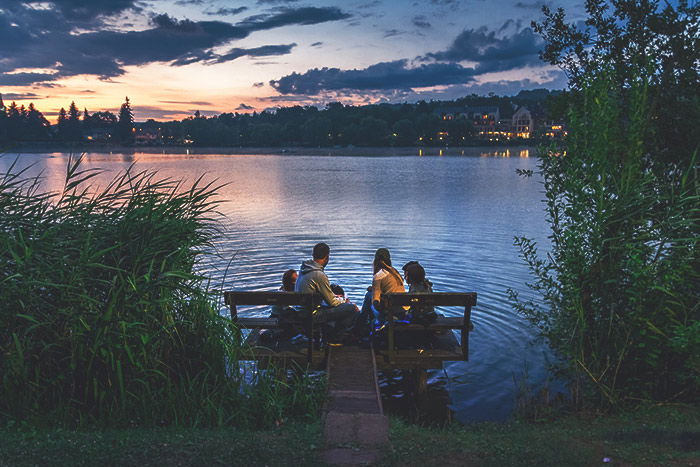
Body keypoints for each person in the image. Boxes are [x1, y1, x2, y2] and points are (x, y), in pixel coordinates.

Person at [295, 242, 358, 343]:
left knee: (334, 291)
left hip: (300, 312)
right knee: (351, 308)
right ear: (327, 257)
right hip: (312, 315)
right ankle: (336, 338)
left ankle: (331, 334)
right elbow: (332, 302)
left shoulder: (303, 270)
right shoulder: (318, 274)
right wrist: (344, 301)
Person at [359, 248, 406, 334]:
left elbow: (376, 303)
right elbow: (390, 288)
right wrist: (374, 289)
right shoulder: (395, 272)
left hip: (390, 314)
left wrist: (374, 296)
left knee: (368, 296)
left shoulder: (379, 275)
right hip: (402, 311)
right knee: (370, 294)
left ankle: (360, 327)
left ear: (376, 260)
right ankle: (364, 323)